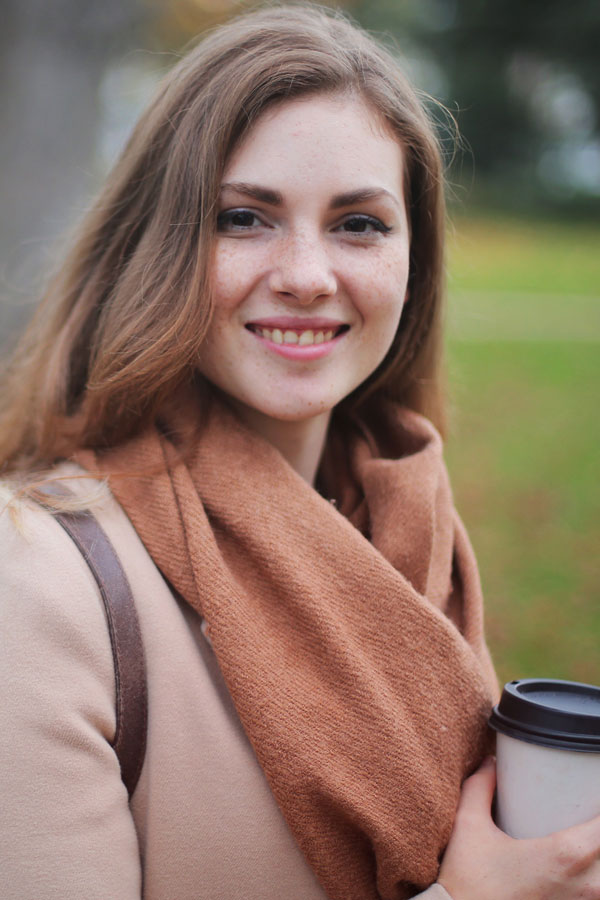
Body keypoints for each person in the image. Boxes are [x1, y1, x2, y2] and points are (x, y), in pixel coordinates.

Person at [1, 6, 599, 900]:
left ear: (414, 260)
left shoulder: (406, 526)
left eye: (359, 224)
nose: (309, 276)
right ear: (157, 244)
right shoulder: (38, 583)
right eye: (245, 217)